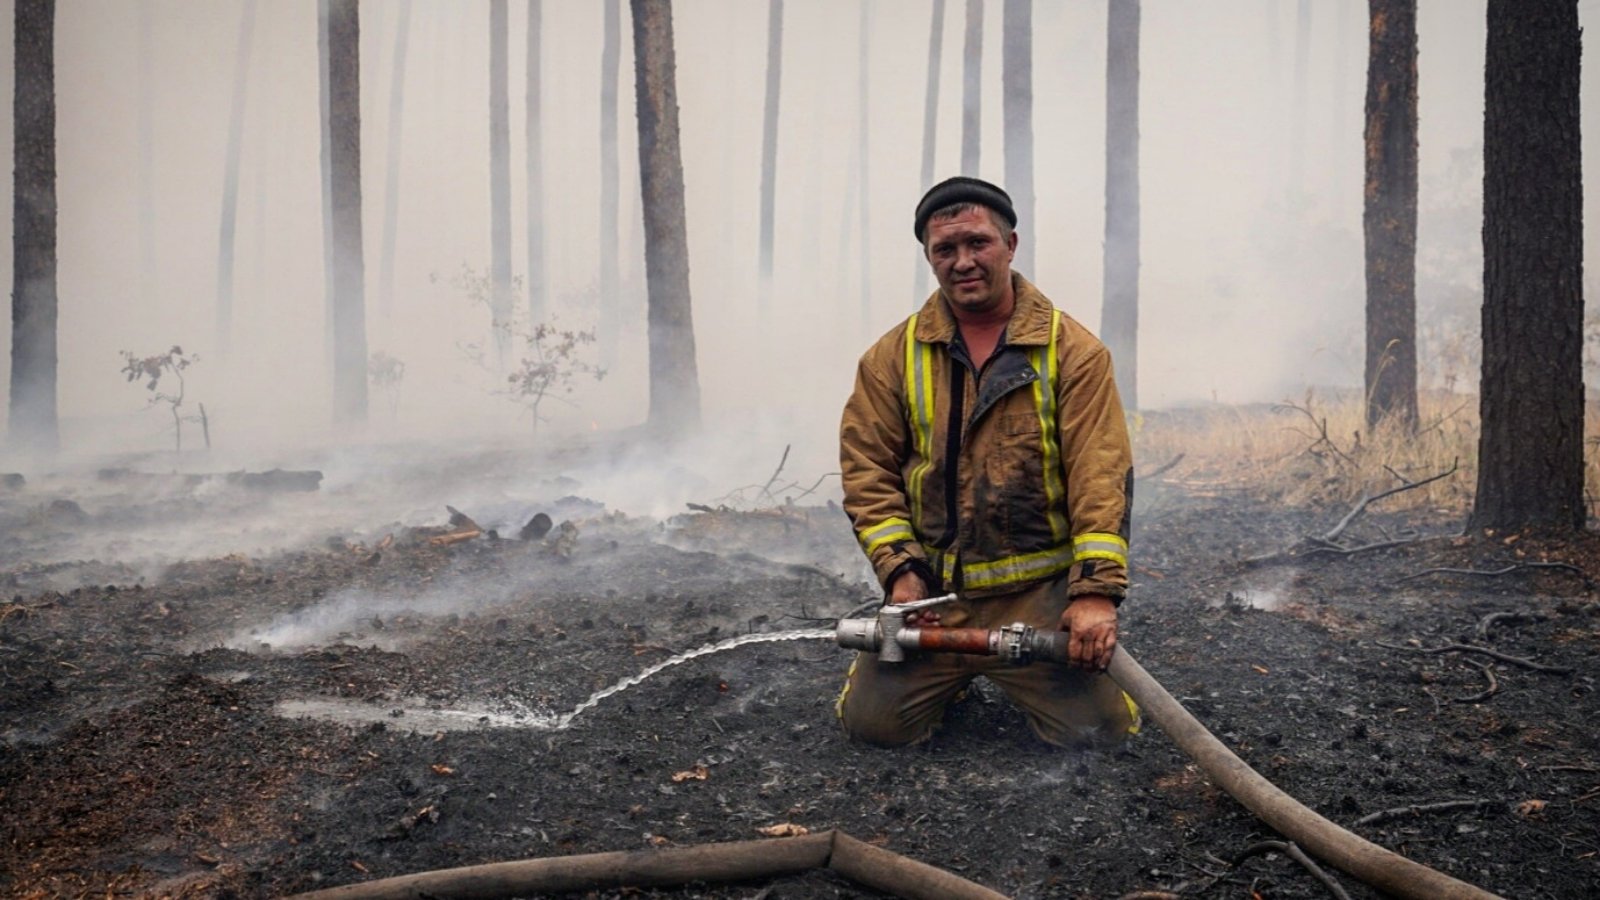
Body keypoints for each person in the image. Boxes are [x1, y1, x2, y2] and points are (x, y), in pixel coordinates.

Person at [836, 176, 1138, 749]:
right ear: (929, 257)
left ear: (1010, 244)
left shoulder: (1074, 353)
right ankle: (948, 679)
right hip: (934, 602)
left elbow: (1100, 479)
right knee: (871, 730)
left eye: (978, 243)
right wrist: (901, 573)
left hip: (1040, 601)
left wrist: (1093, 595)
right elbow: (867, 474)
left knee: (1102, 737)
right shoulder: (889, 360)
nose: (963, 261)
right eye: (944, 250)